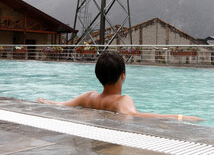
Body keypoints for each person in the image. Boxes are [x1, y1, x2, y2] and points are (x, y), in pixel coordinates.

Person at [37, 51, 202, 122]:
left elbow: (62, 105)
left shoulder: (88, 96)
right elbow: (134, 116)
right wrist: (180, 117)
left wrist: (45, 101)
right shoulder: (122, 100)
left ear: (98, 75)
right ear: (123, 75)